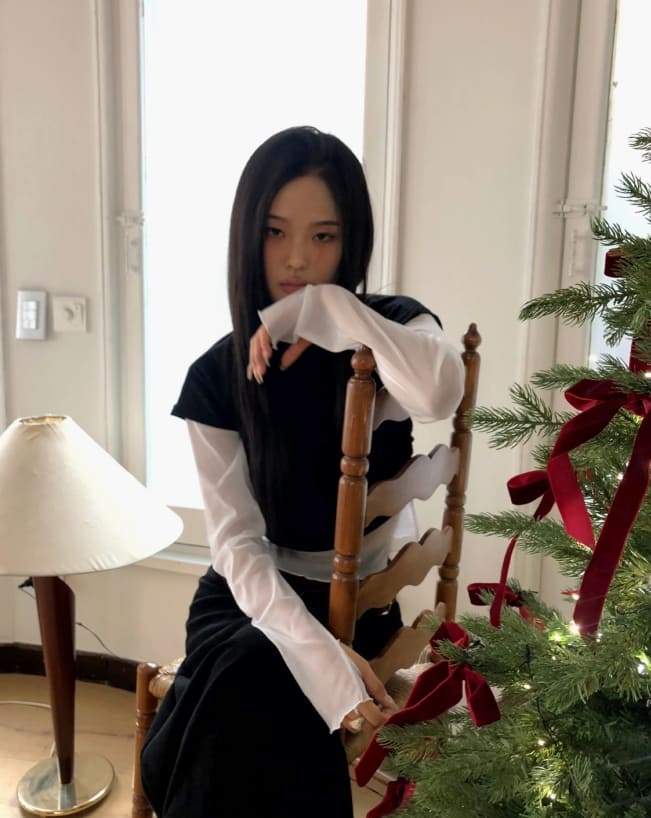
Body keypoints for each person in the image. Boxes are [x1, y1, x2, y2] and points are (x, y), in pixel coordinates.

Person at [141, 125, 465, 817]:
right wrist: (320, 661)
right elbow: (235, 545)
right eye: (274, 232)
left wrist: (324, 308)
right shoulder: (215, 376)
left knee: (246, 689)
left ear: (351, 241)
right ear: (246, 236)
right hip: (248, 597)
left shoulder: (388, 331)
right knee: (259, 673)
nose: (296, 258)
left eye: (323, 236)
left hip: (359, 601)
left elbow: (439, 391)